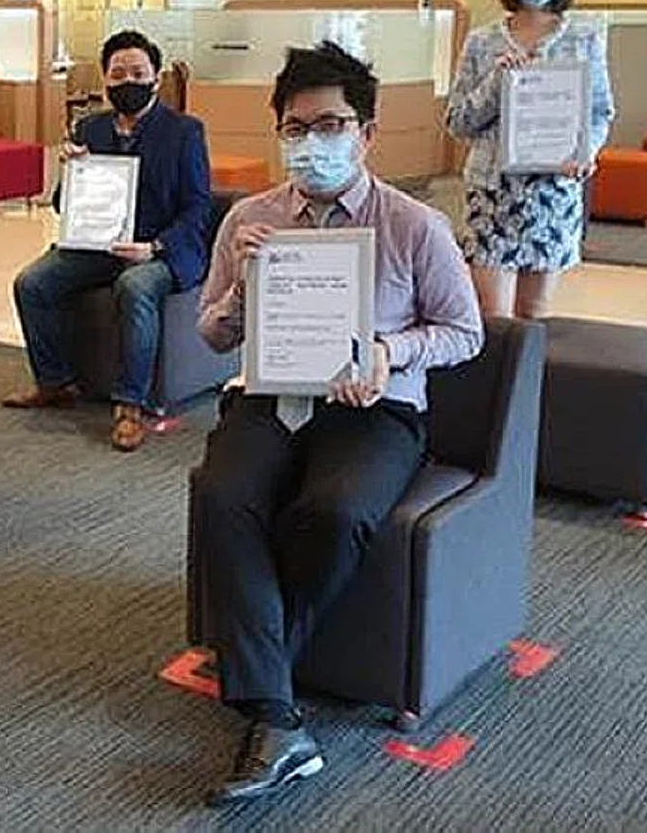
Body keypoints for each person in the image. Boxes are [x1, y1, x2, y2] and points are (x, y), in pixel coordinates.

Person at [189, 41, 483, 806]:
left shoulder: (415, 224)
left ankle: (263, 690)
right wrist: (241, 295)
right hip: (270, 395)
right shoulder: (249, 220)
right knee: (223, 494)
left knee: (338, 509)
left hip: (372, 407)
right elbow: (212, 335)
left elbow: (466, 330)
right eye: (295, 127)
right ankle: (280, 717)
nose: (311, 142)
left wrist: (390, 348)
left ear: (367, 132)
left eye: (330, 125)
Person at [2, 30, 212, 452]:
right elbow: (64, 206)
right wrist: (72, 172)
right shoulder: (90, 127)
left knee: (134, 286)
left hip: (159, 249)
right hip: (97, 244)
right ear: (105, 80)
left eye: (138, 72)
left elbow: (198, 207)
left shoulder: (184, 131)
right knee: (32, 283)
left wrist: (154, 248)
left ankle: (129, 404)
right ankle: (54, 382)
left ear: (156, 78)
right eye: (118, 74)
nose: (128, 81)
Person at [446, 0, 615, 320]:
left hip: (552, 189)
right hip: (492, 190)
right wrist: (497, 83)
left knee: (534, 311)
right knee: (492, 312)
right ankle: (490, 384)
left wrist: (585, 152)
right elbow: (457, 122)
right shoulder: (482, 41)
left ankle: (527, 384)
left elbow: (600, 111)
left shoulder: (583, 38)